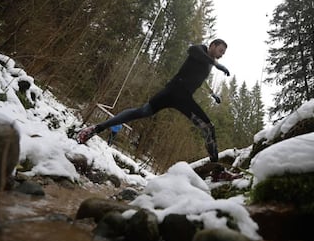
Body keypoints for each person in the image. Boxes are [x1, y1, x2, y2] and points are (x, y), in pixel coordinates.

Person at [77, 39, 229, 163]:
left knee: (208, 128)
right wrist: (217, 65)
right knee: (141, 112)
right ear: (212, 45)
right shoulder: (199, 50)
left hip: (184, 98)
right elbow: (193, 51)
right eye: (220, 51)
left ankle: (215, 168)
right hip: (173, 91)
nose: (221, 55)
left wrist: (212, 93)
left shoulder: (209, 63)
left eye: (223, 53)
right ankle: (95, 129)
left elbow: (199, 78)